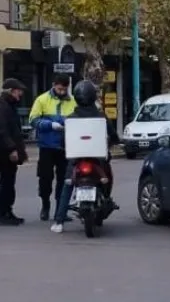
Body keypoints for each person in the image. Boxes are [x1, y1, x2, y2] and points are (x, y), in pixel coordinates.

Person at [51, 79, 119, 233]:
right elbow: (113, 136)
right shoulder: (101, 117)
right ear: (94, 97)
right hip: (99, 160)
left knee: (67, 186)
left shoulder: (70, 118)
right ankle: (105, 200)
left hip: (76, 160)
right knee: (107, 178)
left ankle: (59, 220)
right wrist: (114, 141)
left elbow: (63, 142)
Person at [29, 75, 76, 220]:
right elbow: (33, 120)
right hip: (47, 146)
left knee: (64, 179)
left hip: (65, 147)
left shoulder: (73, 101)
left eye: (64, 89)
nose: (62, 92)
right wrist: (50, 125)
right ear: (54, 85)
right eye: (59, 89)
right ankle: (45, 205)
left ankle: (60, 210)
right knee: (45, 178)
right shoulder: (42, 99)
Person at [0, 79, 29, 226]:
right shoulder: (2, 107)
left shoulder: (8, 106)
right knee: (6, 183)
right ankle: (2, 214)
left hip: (7, 151)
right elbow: (1, 131)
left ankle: (8, 211)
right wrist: (12, 148)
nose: (21, 93)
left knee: (9, 182)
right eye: (19, 91)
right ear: (11, 91)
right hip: (4, 153)